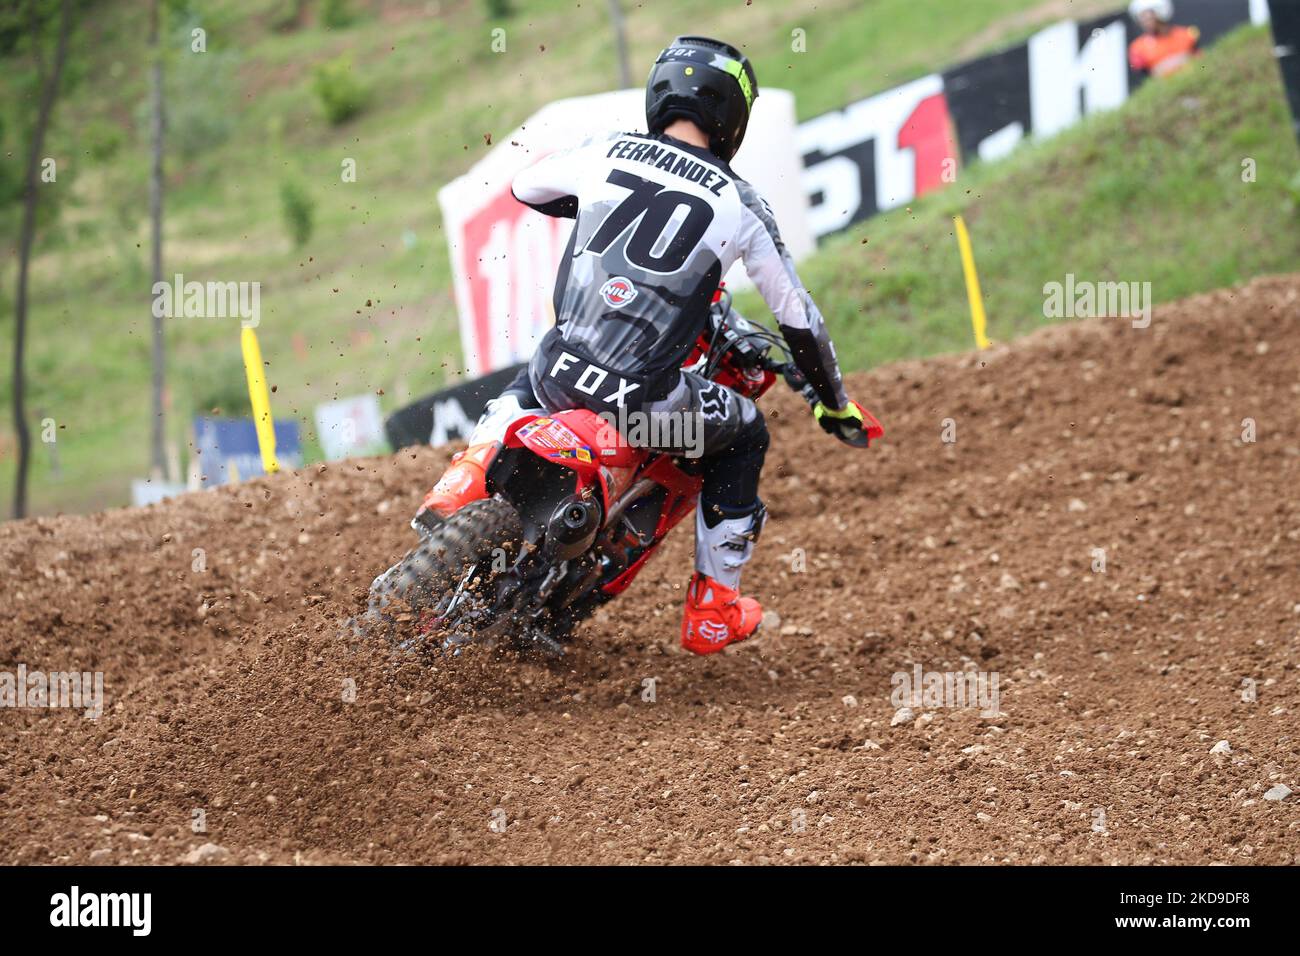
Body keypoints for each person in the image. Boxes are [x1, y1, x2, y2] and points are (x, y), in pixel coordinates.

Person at [416, 36, 880, 655]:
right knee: (746, 433)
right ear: (733, 117)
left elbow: (527, 187)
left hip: (559, 372)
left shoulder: (607, 150)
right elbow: (799, 318)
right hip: (646, 405)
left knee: (533, 375)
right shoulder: (740, 201)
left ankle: (466, 479)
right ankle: (714, 608)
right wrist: (833, 401)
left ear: (660, 95)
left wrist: (595, 200)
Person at [1128, 0, 1200, 78]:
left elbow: (1201, 62)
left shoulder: (1186, 33)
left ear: (1160, 13)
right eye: (1142, 19)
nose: (1145, 22)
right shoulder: (1137, 47)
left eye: (1148, 17)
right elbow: (1144, 79)